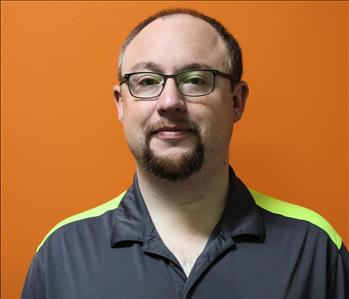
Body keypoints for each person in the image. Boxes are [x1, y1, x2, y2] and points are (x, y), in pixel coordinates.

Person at [22, 8, 348, 299]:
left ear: (236, 101)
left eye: (195, 80)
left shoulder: (315, 249)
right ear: (121, 104)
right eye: (147, 81)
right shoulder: (61, 253)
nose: (169, 102)